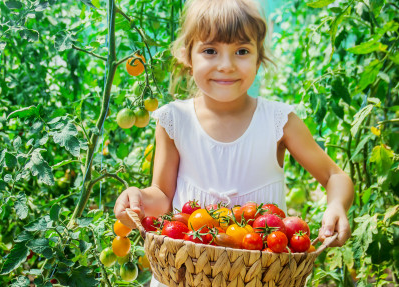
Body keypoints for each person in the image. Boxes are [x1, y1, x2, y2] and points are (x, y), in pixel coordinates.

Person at [114, 0, 353, 284]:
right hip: (186, 275)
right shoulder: (174, 120)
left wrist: (336, 205)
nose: (226, 66)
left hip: (261, 277)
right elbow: (162, 197)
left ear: (258, 58)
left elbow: (334, 175)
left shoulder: (279, 121)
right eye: (210, 51)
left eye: (241, 51)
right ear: (187, 56)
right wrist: (137, 198)